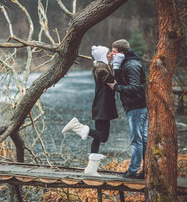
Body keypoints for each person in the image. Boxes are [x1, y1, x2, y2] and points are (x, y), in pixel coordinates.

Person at [62, 45, 120, 176]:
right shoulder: (102, 70)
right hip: (103, 107)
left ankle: (91, 169)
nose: (111, 54)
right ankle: (78, 127)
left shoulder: (102, 67)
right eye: (108, 53)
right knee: (103, 137)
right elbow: (114, 82)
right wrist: (117, 64)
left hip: (101, 106)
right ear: (103, 56)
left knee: (98, 137)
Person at [107, 39, 148, 179]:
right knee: (142, 140)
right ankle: (146, 170)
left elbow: (134, 87)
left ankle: (133, 170)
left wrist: (116, 88)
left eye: (114, 51)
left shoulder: (131, 65)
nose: (111, 54)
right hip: (137, 107)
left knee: (137, 140)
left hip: (136, 107)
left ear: (121, 52)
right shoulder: (126, 63)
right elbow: (123, 80)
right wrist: (115, 66)